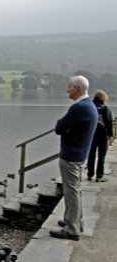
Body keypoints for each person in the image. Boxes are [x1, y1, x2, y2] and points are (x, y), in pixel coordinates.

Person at [49, 75, 98, 241]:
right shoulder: (88, 105)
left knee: (71, 191)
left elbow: (60, 127)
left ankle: (72, 229)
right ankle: (75, 221)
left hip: (72, 155)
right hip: (79, 154)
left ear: (77, 88)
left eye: (69, 86)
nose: (67, 89)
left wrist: (61, 125)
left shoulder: (79, 108)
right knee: (74, 189)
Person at [87, 90, 114, 182]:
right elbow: (109, 122)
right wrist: (110, 135)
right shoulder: (105, 108)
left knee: (91, 154)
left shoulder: (90, 107)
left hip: (91, 134)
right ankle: (99, 175)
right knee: (101, 155)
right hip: (102, 135)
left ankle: (90, 174)